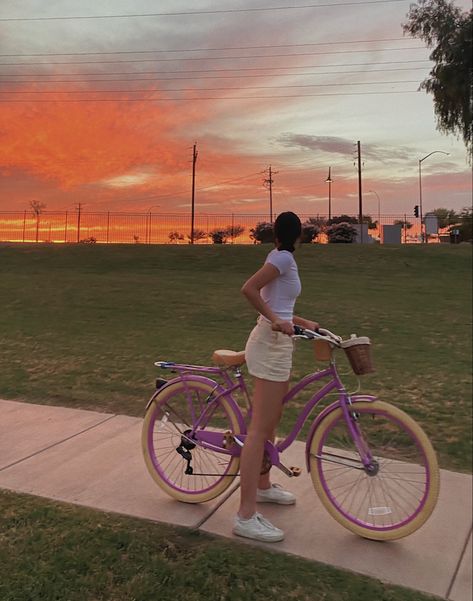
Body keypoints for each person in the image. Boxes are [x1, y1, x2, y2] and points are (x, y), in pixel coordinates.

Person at [233, 211, 319, 542]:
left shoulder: (278, 256)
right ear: (298, 235)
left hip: (279, 344)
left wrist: (303, 321)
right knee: (258, 430)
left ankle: (264, 485)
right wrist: (275, 321)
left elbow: (278, 304)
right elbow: (250, 290)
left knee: (270, 423)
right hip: (269, 345)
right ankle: (244, 516)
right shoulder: (282, 258)